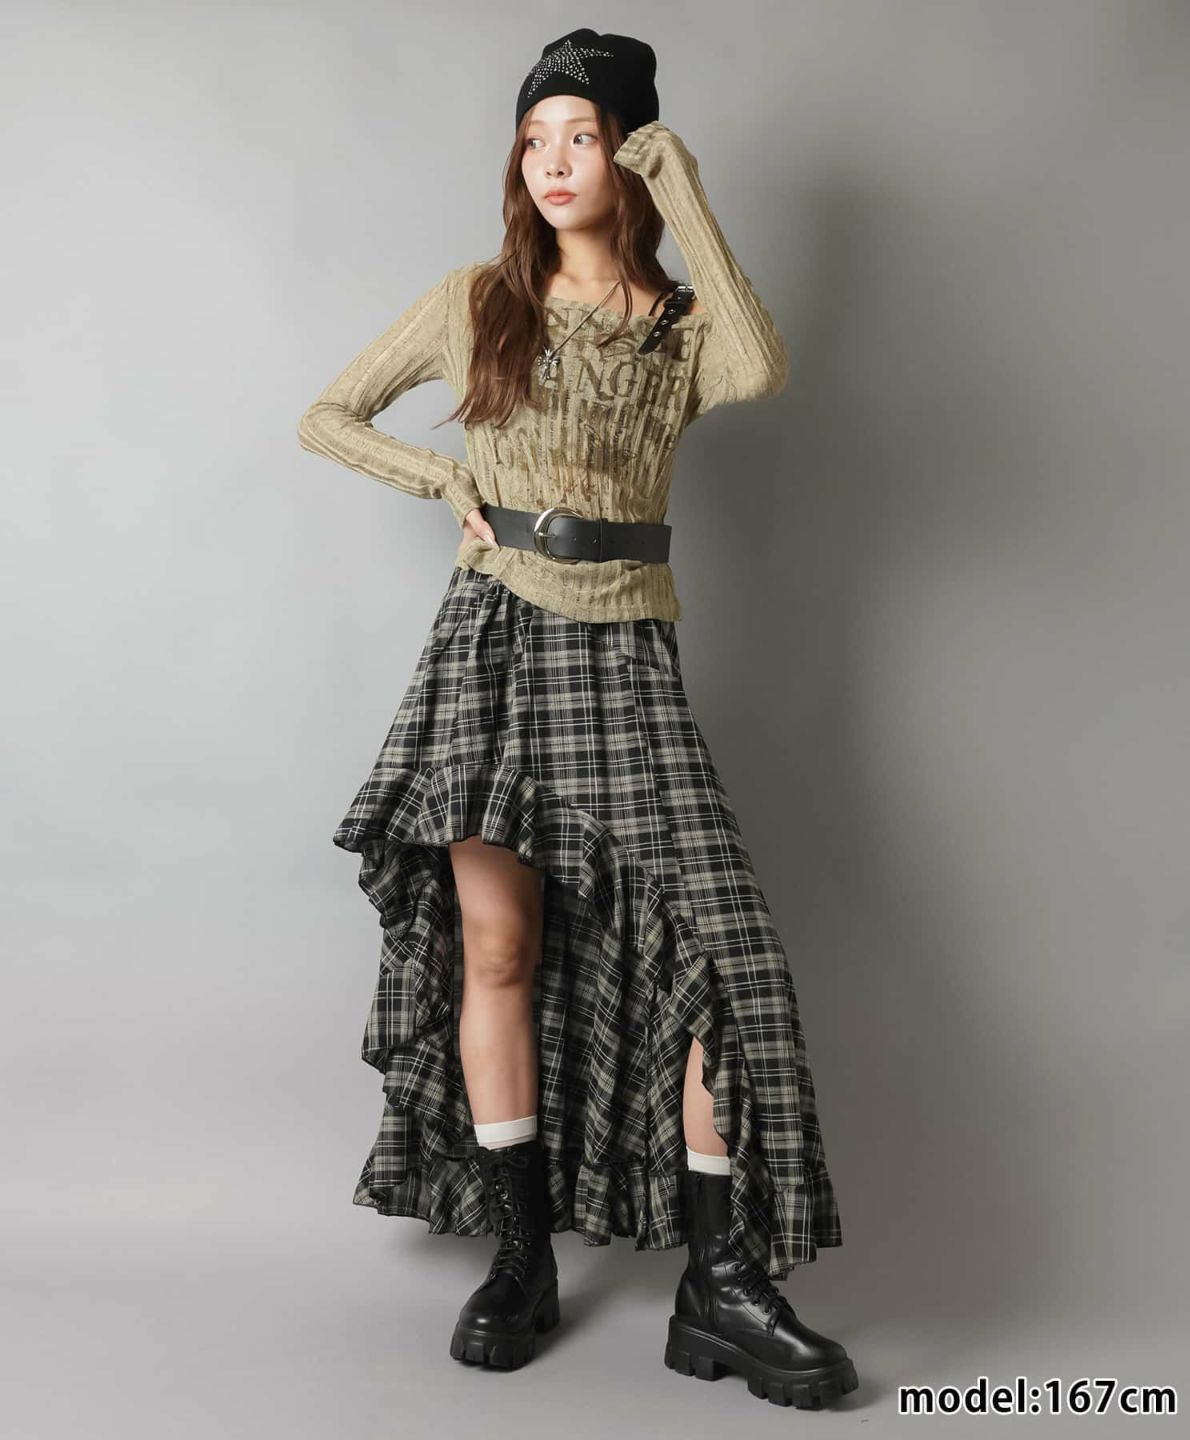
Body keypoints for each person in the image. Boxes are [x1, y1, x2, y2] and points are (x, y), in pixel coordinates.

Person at [297, 26, 858, 1411]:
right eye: (536, 138)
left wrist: (683, 182)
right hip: (493, 643)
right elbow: (329, 415)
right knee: (498, 946)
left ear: (631, 155)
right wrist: (442, 483)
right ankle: (521, 1255)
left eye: (587, 136)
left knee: (726, 957)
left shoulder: (678, 327)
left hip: (626, 657)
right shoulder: (477, 301)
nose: (554, 162)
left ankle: (721, 1283)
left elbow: (762, 368)